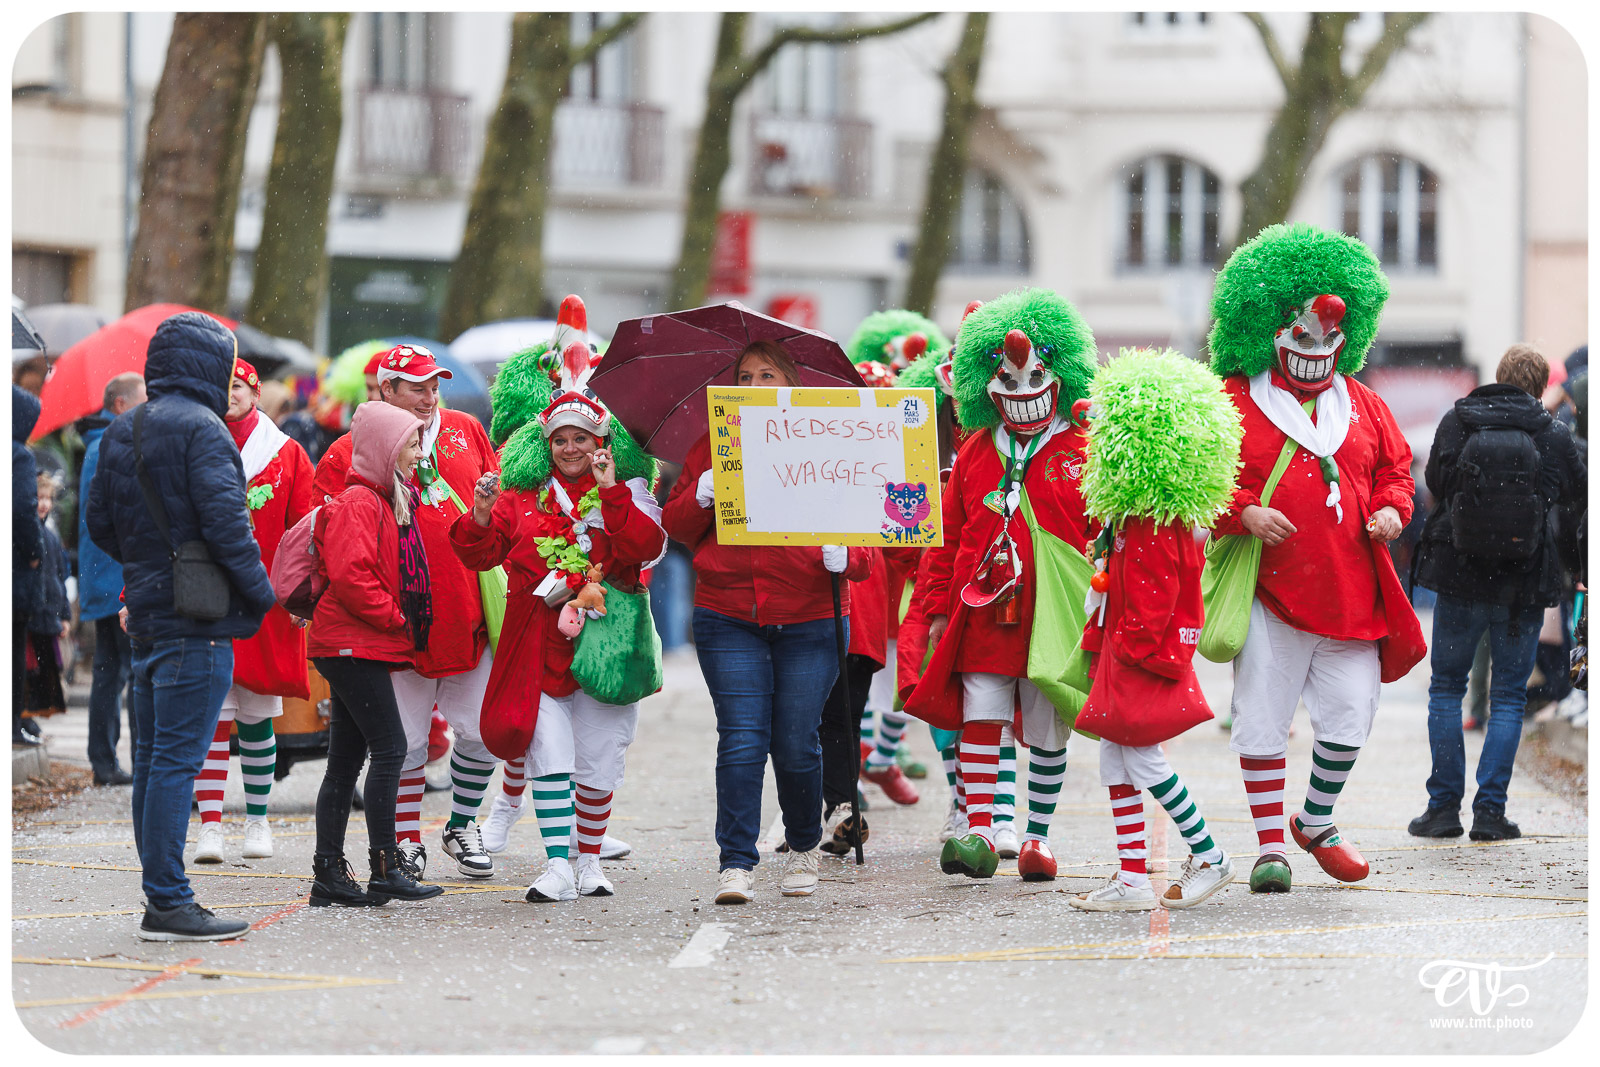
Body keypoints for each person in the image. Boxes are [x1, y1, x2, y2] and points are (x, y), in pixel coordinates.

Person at [1206, 224, 1426, 894]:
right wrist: (1242, 509)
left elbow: (1396, 471)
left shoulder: (1364, 403)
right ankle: (1271, 843)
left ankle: (1318, 818)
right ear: (1272, 330)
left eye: (1330, 338)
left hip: (1352, 590)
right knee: (1263, 719)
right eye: (1301, 336)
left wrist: (1393, 509)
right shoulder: (1236, 400)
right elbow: (1201, 482)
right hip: (1271, 592)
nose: (1316, 350)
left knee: (1352, 715)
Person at [451, 311, 666, 900]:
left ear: (602, 443)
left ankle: (589, 860)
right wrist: (477, 514)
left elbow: (644, 548)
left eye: (582, 439)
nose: (571, 449)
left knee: (598, 761)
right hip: (534, 638)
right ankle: (556, 865)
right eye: (561, 439)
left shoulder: (630, 489)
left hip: (609, 636)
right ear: (546, 445)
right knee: (548, 751)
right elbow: (479, 552)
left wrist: (613, 489)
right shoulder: (522, 495)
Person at [85, 312, 276, 942]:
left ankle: (158, 896)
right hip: (198, 620)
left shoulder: (122, 428)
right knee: (175, 765)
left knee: (151, 762)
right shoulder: (206, 430)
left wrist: (149, 560)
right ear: (210, 365)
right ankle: (168, 900)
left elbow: (99, 524)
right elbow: (229, 527)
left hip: (144, 614)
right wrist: (263, 593)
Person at [662, 340, 873, 904]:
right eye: (746, 376)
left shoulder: (825, 437)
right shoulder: (713, 445)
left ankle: (804, 844)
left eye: (768, 376)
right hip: (728, 615)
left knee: (796, 742)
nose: (755, 386)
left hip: (809, 618)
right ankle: (736, 861)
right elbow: (676, 526)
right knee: (741, 740)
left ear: (792, 385)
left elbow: (871, 545)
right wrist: (699, 498)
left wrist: (844, 555)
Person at [907, 289, 1100, 883]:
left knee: (1046, 728)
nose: (1023, 393)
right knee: (981, 715)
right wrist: (937, 608)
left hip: (1056, 611)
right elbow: (947, 536)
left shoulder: (1086, 446)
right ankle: (983, 831)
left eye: (1036, 376)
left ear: (1059, 374)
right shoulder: (972, 451)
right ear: (982, 385)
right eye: (1007, 381)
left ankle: (1037, 838)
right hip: (983, 608)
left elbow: (1107, 529)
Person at [313, 343, 500, 879]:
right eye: (416, 386)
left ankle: (461, 825)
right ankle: (406, 841)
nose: (429, 395)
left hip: (467, 615)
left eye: (433, 384)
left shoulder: (467, 428)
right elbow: (320, 535)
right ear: (386, 389)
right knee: (406, 744)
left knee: (484, 731)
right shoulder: (347, 450)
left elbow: (499, 508)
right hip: (393, 627)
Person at [1069, 348, 1243, 911]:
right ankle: (1131, 878)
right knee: (1116, 760)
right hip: (1130, 650)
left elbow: (1151, 598)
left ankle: (1210, 854)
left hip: (1137, 654)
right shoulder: (1145, 515)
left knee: (1141, 759)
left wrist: (1127, 649)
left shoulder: (1150, 522)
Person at [1408, 344, 1586, 841]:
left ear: (1498, 376)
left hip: (1458, 576)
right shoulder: (1550, 432)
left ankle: (1442, 809)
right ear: (1535, 386)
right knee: (1508, 697)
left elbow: (1435, 481)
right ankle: (1490, 813)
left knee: (1446, 689)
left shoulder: (1458, 419)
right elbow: (1578, 491)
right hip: (1523, 584)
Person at [306, 401, 445, 907]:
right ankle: (385, 866)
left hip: (349, 643)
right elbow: (352, 577)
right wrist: (398, 617)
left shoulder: (384, 497)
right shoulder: (362, 502)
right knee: (390, 748)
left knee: (345, 761)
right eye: (409, 443)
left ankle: (329, 872)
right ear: (387, 448)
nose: (416, 452)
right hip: (350, 643)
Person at [190, 358, 316, 864]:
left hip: (267, 599)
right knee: (213, 719)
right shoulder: (196, 445)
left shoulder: (287, 454)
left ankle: (259, 821)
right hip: (208, 597)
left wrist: (303, 594)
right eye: (223, 387)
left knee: (259, 716)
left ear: (255, 393)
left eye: (239, 386)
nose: (231, 395)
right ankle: (211, 829)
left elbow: (303, 530)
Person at [79, 373, 146, 783]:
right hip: (114, 576)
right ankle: (133, 761)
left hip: (103, 574)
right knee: (130, 671)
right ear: (121, 404)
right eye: (143, 399)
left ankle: (105, 760)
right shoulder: (111, 444)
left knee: (111, 670)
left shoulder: (97, 443)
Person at [23, 472, 73, 725]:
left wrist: (64, 614)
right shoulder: (30, 535)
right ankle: (24, 719)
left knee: (42, 671)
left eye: (48, 498)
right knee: (29, 671)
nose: (44, 504)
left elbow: (59, 579)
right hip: (34, 615)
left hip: (48, 614)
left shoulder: (51, 537)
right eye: (39, 497)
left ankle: (31, 719)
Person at [14, 384, 46, 746]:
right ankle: (12, 723)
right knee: (14, 647)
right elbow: (23, 510)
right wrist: (35, 549)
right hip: (15, 570)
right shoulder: (19, 456)